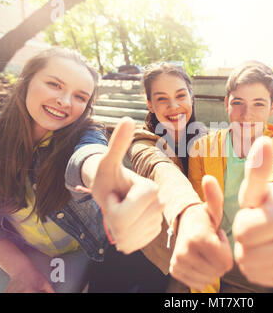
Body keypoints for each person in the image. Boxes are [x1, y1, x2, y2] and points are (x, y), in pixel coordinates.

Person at [0, 48, 164, 293]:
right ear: (26, 81)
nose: (65, 101)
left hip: (84, 249)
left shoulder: (86, 133)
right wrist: (21, 270)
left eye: (80, 97)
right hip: (18, 249)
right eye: (54, 84)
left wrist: (101, 175)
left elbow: (88, 155)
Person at [170, 60, 273, 292]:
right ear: (227, 103)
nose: (246, 115)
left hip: (255, 265)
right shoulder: (203, 147)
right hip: (210, 257)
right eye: (238, 103)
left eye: (258, 104)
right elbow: (198, 204)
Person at [88, 62, 208, 292]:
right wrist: (191, 212)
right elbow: (159, 169)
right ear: (150, 105)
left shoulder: (207, 143)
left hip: (172, 260)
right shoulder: (142, 140)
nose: (173, 106)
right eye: (161, 98)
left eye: (181, 95)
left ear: (191, 97)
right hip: (135, 251)